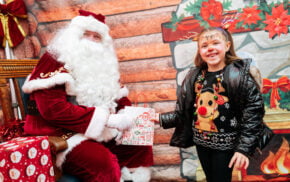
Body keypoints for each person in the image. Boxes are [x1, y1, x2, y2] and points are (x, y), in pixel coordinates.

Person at [22, 10, 153, 182]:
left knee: (139, 134)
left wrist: (125, 116)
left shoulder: (103, 62)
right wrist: (109, 120)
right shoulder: (54, 58)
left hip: (98, 128)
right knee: (103, 164)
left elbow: (120, 97)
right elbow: (52, 110)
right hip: (59, 132)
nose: (91, 40)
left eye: (96, 36)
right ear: (73, 36)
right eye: (85, 34)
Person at [152, 27, 265, 182]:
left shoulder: (240, 76)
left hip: (226, 146)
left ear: (227, 46)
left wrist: (244, 149)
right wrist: (160, 118)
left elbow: (253, 114)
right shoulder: (195, 76)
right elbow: (185, 112)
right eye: (204, 46)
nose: (210, 48)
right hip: (202, 143)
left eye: (215, 43)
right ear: (199, 51)